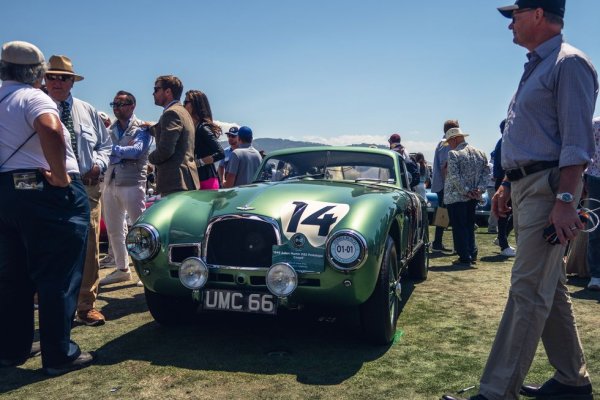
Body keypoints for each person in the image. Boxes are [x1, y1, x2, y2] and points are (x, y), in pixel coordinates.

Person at [442, 1, 598, 399]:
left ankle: (496, 392)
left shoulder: (569, 64)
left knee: (527, 288)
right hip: (530, 187)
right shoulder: (538, 66)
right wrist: (507, 184)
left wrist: (566, 199)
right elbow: (528, 138)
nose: (510, 23)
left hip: (550, 190)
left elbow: (577, 143)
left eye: (515, 15)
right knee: (550, 287)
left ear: (539, 14)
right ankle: (573, 381)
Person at [0, 40, 94, 375]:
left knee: (12, 275)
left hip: (6, 192)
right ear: (37, 72)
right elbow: (51, 128)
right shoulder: (33, 97)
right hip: (45, 192)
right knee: (58, 273)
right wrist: (60, 177)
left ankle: (12, 348)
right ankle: (59, 353)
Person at [45, 55, 112, 327]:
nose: (57, 82)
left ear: (72, 82)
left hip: (86, 186)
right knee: (49, 245)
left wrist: (98, 164)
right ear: (44, 79)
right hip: (46, 187)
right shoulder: (35, 108)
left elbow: (106, 145)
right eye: (51, 76)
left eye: (63, 77)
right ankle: (53, 304)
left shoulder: (88, 110)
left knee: (90, 245)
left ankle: (86, 305)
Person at [99, 91, 152, 286]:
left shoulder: (142, 128)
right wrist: (122, 152)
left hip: (132, 183)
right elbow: (104, 151)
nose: (115, 107)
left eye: (120, 104)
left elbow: (136, 152)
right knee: (114, 230)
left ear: (132, 106)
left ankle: (146, 270)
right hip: (110, 182)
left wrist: (114, 151)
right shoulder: (110, 129)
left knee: (141, 230)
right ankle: (122, 269)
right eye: (114, 104)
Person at [442, 127, 489, 266]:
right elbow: (486, 174)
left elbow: (454, 176)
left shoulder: (454, 154)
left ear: (455, 139)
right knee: (469, 225)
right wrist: (479, 190)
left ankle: (464, 256)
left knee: (459, 227)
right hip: (473, 197)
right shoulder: (480, 153)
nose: (449, 145)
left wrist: (466, 191)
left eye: (450, 142)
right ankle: (472, 253)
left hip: (456, 197)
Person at [148, 75, 199, 196]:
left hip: (175, 183)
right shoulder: (183, 112)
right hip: (185, 180)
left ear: (168, 92)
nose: (153, 93)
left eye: (156, 89)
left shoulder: (171, 113)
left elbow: (165, 150)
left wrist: (149, 159)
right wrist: (151, 129)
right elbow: (176, 137)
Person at [183, 90, 224, 189]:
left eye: (186, 102)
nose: (183, 105)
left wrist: (197, 163)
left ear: (195, 105)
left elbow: (220, 153)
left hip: (207, 181)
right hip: (197, 180)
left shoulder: (203, 128)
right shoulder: (194, 127)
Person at [430, 120, 458, 252]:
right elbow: (445, 165)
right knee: (446, 214)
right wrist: (449, 185)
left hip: (442, 185)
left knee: (443, 213)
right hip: (445, 185)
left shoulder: (442, 143)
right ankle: (438, 243)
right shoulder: (446, 144)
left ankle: (438, 242)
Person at [492, 119, 515, 257]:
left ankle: (502, 238)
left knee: (511, 214)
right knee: (504, 215)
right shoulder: (505, 142)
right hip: (504, 182)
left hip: (505, 181)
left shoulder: (503, 142)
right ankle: (503, 244)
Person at [586, 117, 600, 290]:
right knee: (595, 228)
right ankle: (596, 274)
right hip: (596, 177)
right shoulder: (595, 123)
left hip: (594, 178)